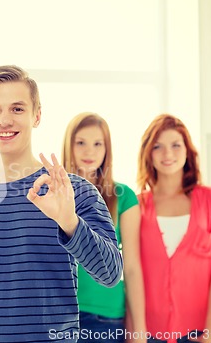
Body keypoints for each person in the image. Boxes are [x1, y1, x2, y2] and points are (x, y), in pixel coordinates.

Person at [0, 65, 123, 343]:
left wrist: (69, 223)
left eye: (17, 109)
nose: (4, 120)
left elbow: (111, 274)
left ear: (36, 115)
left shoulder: (75, 192)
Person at [137, 114, 211, 343]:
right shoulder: (136, 205)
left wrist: (210, 332)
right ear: (148, 153)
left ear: (187, 151)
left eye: (176, 145)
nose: (168, 154)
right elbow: (131, 273)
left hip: (200, 333)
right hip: (148, 333)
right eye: (158, 146)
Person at [62, 112, 146, 343]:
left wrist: (138, 330)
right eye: (81, 142)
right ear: (69, 145)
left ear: (107, 148)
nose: (90, 151)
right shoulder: (52, 193)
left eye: (98, 143)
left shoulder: (124, 196)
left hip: (106, 317)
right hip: (60, 315)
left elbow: (132, 268)